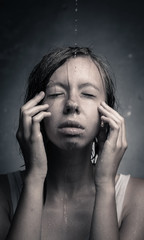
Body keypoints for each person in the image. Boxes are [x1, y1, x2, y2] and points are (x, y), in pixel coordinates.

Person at [0, 46, 144, 240]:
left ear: (107, 115)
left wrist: (105, 185)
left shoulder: (138, 198)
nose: (72, 104)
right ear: (35, 110)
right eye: (56, 93)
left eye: (88, 94)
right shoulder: (3, 194)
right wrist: (34, 178)